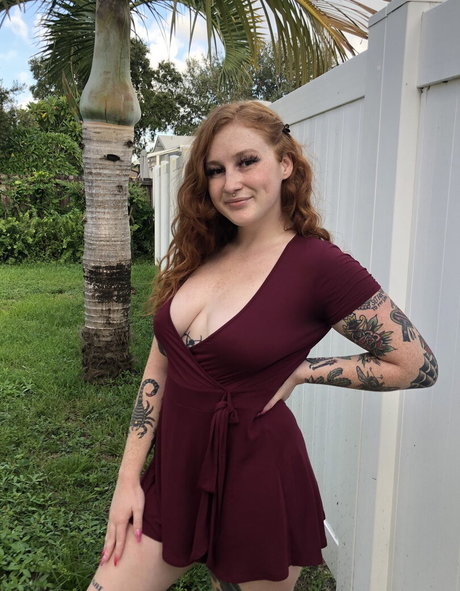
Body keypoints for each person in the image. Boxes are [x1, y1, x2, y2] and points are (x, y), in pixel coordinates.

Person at [87, 101, 438, 591]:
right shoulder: (201, 250)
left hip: (259, 480)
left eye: (247, 161)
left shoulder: (319, 266)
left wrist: (302, 371)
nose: (230, 182)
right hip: (176, 472)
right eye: (216, 170)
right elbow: (159, 369)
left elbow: (416, 365)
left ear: (285, 164)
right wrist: (128, 479)